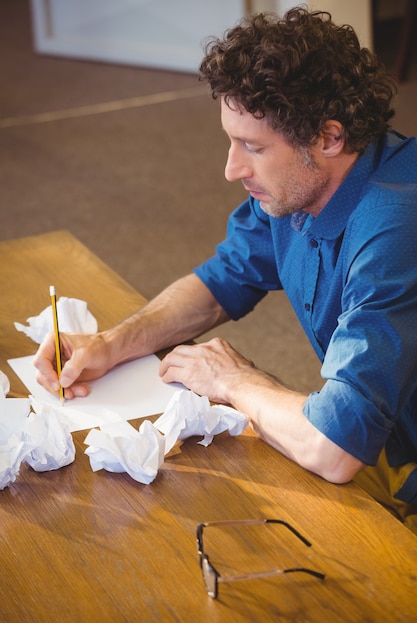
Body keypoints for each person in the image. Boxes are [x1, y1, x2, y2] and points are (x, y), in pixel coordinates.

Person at [34, 8, 417, 531]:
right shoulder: (296, 187)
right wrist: (112, 343)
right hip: (392, 434)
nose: (232, 168)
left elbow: (335, 447)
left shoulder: (396, 225)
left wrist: (236, 380)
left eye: (254, 148)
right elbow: (222, 282)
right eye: (232, 140)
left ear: (328, 138)